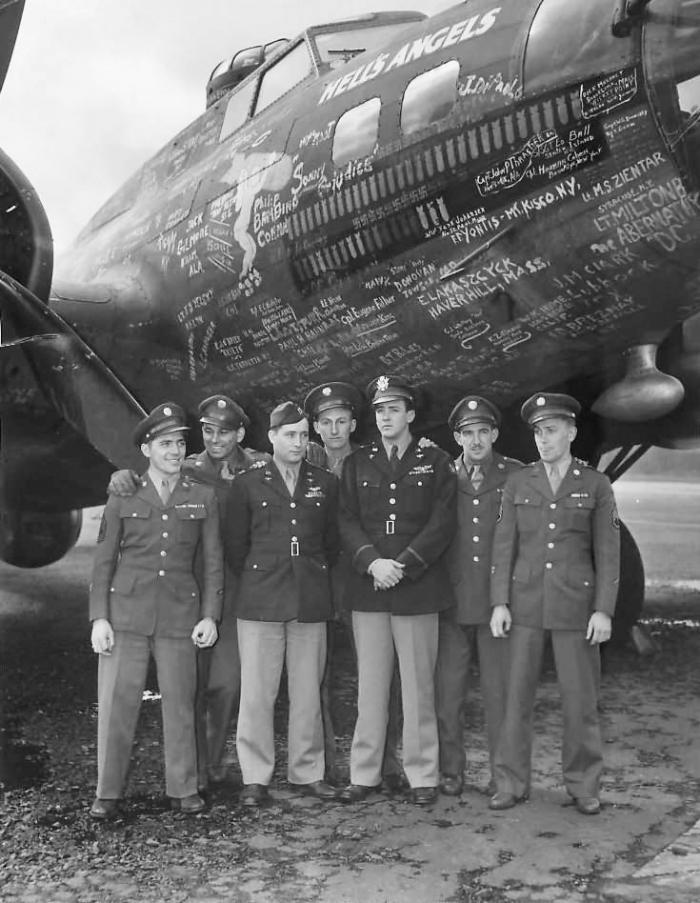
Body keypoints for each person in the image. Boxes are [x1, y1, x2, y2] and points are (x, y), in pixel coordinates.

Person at [108, 394, 256, 789]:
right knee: (186, 687)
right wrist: (122, 477)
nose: (215, 438)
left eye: (225, 431)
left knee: (226, 682)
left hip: (237, 586)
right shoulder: (187, 467)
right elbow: (148, 481)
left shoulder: (260, 465)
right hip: (186, 588)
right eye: (208, 431)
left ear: (240, 433)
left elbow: (304, 463)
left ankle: (206, 762)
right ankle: (196, 770)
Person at [89, 403, 223, 819]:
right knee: (116, 704)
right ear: (147, 448)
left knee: (180, 703)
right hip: (126, 614)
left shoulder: (202, 495)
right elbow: (103, 561)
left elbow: (213, 560)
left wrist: (209, 615)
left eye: (180, 443)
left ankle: (183, 788)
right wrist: (99, 618)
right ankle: (108, 792)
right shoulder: (123, 494)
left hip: (179, 614)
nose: (175, 451)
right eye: (165, 443)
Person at [489, 392, 620, 816]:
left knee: (580, 700)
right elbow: (503, 547)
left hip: (575, 606)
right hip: (525, 603)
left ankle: (584, 786)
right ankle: (510, 782)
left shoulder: (595, 485)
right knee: (515, 699)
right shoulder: (519, 482)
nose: (543, 440)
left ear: (571, 432)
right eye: (537, 432)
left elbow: (608, 551)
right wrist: (499, 603)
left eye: (551, 431)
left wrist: (603, 609)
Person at [338, 376, 457, 806]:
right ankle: (364, 773)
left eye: (393, 409)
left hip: (417, 589)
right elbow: (346, 520)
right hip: (369, 587)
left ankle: (423, 775)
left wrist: (402, 566)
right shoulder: (358, 462)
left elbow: (442, 523)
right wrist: (373, 562)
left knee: (418, 687)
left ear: (410, 414)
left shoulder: (437, 460)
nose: (385, 417)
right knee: (369, 688)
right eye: (379, 410)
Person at [225, 402, 340, 806]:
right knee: (257, 693)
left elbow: (332, 543)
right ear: (271, 437)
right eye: (289, 434)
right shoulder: (247, 483)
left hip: (309, 597)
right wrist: (262, 575)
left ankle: (307, 772)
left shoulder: (324, 482)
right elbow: (235, 545)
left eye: (303, 435)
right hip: (260, 599)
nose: (297, 442)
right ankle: (255, 776)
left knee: (308, 689)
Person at [303, 381, 405, 792]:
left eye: (341, 421)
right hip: (315, 579)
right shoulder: (302, 459)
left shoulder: (368, 462)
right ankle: (323, 763)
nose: (334, 430)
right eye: (325, 422)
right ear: (314, 426)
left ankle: (386, 758)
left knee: (378, 671)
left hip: (359, 577)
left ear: (353, 424)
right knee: (316, 676)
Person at [435, 395, 522, 797]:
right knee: (447, 695)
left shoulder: (516, 475)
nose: (475, 441)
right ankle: (451, 772)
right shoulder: (442, 476)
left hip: (496, 604)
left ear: (495, 434)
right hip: (451, 603)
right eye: (467, 433)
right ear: (456, 437)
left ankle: (504, 777)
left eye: (482, 432)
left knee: (499, 696)